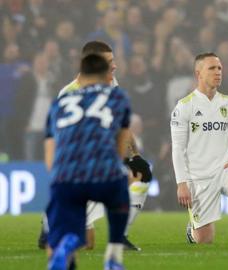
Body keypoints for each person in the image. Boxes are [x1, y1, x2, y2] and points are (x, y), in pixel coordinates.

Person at [38, 41, 152, 251]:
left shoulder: (110, 83)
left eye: (114, 61)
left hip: (100, 160)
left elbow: (121, 125)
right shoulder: (68, 94)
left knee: (142, 171)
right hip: (79, 165)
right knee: (86, 244)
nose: (115, 66)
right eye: (109, 62)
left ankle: (120, 236)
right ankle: (50, 222)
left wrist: (134, 155)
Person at [171, 52, 228, 244]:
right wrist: (182, 183)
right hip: (199, 178)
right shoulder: (184, 106)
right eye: (212, 68)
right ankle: (194, 229)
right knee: (205, 241)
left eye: (220, 68)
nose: (218, 72)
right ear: (198, 74)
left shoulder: (227, 102)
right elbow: (178, 149)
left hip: (224, 170)